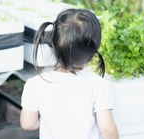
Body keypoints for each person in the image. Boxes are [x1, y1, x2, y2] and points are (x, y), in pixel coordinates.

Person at [20, 8, 119, 139]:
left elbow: (28, 124)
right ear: (91, 53)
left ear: (54, 45)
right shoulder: (99, 85)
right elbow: (107, 127)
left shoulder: (35, 84)